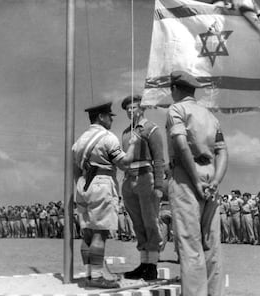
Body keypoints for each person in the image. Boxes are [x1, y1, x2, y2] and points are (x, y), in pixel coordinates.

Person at [166, 70, 228, 296]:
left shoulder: (176, 109)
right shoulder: (210, 116)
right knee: (212, 244)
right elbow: (223, 152)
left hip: (185, 177)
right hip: (211, 176)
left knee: (190, 245)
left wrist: (194, 179)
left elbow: (181, 146)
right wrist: (215, 180)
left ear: (174, 89)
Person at [72, 101, 138, 288]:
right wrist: (132, 146)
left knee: (87, 233)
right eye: (109, 116)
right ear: (101, 117)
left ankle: (89, 274)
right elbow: (124, 163)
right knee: (100, 233)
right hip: (102, 183)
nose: (111, 119)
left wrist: (82, 186)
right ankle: (98, 277)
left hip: (84, 185)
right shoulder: (109, 138)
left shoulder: (79, 141)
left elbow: (75, 170)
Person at [121, 94, 165, 281]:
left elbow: (159, 160)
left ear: (142, 108)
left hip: (146, 178)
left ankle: (152, 265)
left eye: (134, 107)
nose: (131, 111)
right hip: (129, 179)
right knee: (137, 224)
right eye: (127, 109)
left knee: (150, 221)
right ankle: (143, 263)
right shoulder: (125, 133)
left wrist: (159, 186)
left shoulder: (151, 129)